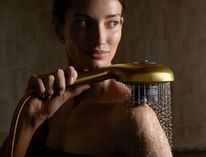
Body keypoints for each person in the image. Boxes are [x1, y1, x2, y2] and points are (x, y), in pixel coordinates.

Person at [0, 0, 172, 156]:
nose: (99, 39)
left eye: (111, 23)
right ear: (59, 28)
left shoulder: (135, 117)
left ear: (121, 26)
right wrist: (30, 118)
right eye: (84, 23)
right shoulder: (50, 106)